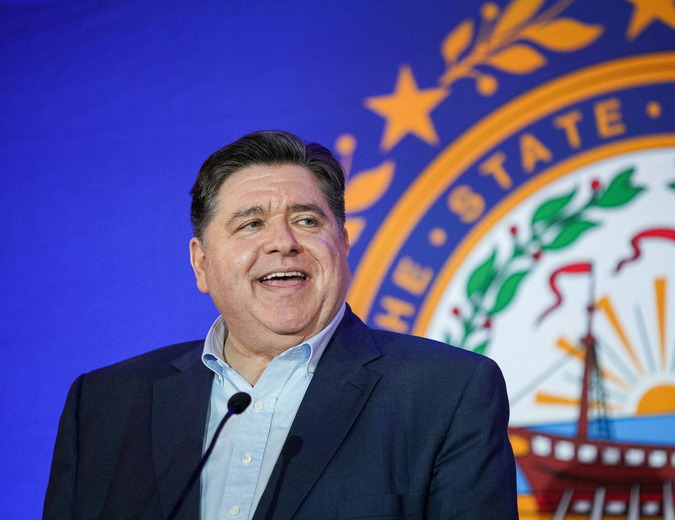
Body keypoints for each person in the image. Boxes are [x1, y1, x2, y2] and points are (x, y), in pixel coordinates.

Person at [43, 130, 519, 519]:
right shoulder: (105, 404)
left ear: (343, 245)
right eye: (251, 224)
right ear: (201, 263)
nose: (283, 243)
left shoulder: (446, 391)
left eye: (308, 220)